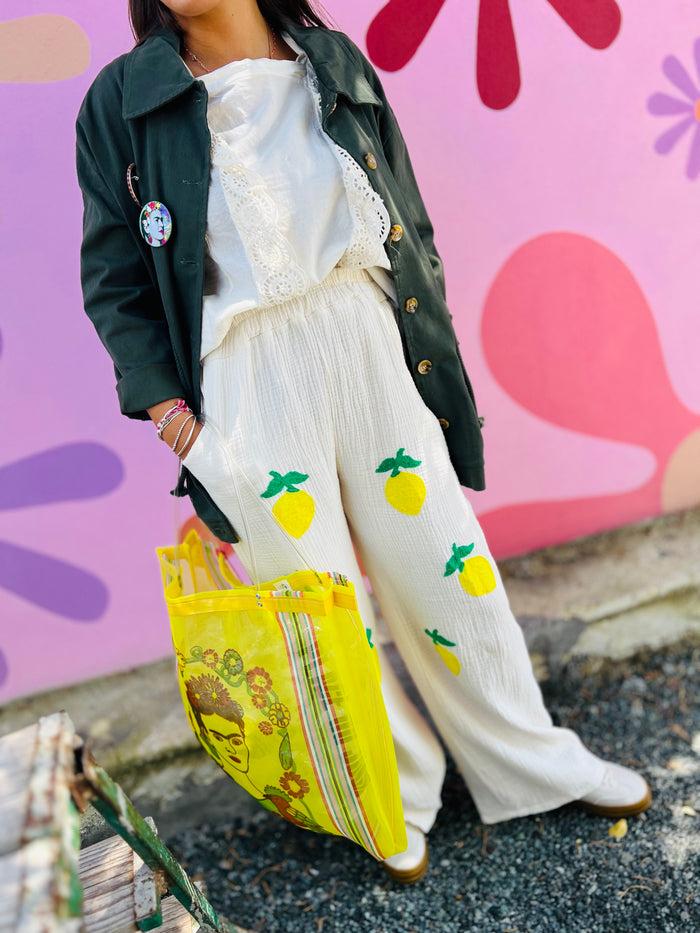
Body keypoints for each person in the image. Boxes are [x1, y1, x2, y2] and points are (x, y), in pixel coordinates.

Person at [74, 0, 652, 884]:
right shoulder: (123, 99)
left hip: (368, 337)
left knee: (450, 569)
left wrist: (430, 352)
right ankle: (394, 793)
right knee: (321, 607)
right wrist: (176, 423)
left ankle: (531, 759)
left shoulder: (330, 59)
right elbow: (115, 275)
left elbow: (407, 221)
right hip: (246, 373)